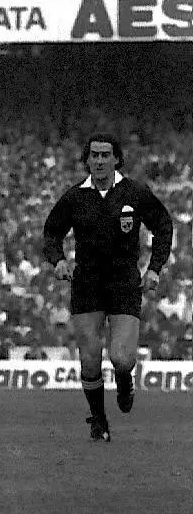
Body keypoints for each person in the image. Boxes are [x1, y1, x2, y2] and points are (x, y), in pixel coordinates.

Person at [43, 132, 173, 442]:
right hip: (87, 282)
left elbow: (164, 226)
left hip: (124, 281)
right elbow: (51, 233)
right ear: (87, 160)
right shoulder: (74, 197)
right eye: (94, 155)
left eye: (105, 155)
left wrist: (154, 268)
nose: (100, 161)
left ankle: (125, 380)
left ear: (116, 159)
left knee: (122, 358)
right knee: (89, 357)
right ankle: (98, 421)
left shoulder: (135, 193)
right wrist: (59, 260)